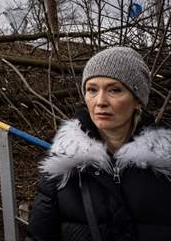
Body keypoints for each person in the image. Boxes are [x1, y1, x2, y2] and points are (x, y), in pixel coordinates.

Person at [27, 47, 171, 241]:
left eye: (114, 90)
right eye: (92, 90)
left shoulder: (165, 165)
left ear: (138, 100)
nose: (100, 101)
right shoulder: (62, 165)